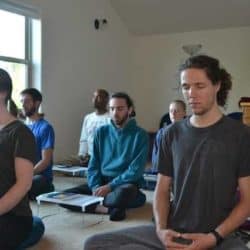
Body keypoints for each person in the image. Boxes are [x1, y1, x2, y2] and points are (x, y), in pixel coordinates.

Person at [84, 55, 250, 250]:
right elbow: (162, 190)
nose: (191, 94)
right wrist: (162, 231)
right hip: (174, 231)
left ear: (217, 85)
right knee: (95, 244)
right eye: (186, 86)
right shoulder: (170, 134)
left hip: (219, 237)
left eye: (200, 86)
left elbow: (247, 200)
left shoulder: (240, 135)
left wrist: (213, 237)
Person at [63, 92, 149, 221]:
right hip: (102, 182)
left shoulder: (140, 135)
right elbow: (94, 164)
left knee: (123, 193)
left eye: (120, 109)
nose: (115, 113)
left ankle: (103, 203)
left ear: (129, 110)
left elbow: (135, 171)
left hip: (124, 184)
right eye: (112, 108)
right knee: (63, 196)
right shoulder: (101, 132)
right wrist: (95, 187)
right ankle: (108, 209)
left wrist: (110, 187)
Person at [0, 69, 44, 249]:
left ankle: (35, 226)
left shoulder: (20, 133)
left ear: (2, 93)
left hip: (13, 215)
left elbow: (24, 184)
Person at [56, 89, 110, 167]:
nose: (95, 99)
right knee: (62, 162)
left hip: (103, 157)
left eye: (99, 97)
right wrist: (82, 155)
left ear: (106, 100)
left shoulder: (110, 118)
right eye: (94, 97)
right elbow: (84, 139)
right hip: (89, 156)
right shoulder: (88, 117)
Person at [20, 88, 55, 200]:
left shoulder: (45, 128)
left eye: (27, 101)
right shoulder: (21, 127)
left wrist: (27, 175)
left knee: (19, 189)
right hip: (22, 174)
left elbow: (45, 161)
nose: (23, 105)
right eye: (22, 102)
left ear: (37, 103)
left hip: (40, 177)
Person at [151, 100, 186, 172]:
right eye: (171, 111)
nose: (173, 113)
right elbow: (156, 158)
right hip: (164, 172)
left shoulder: (189, 132)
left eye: (176, 111)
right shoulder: (161, 133)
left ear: (184, 113)